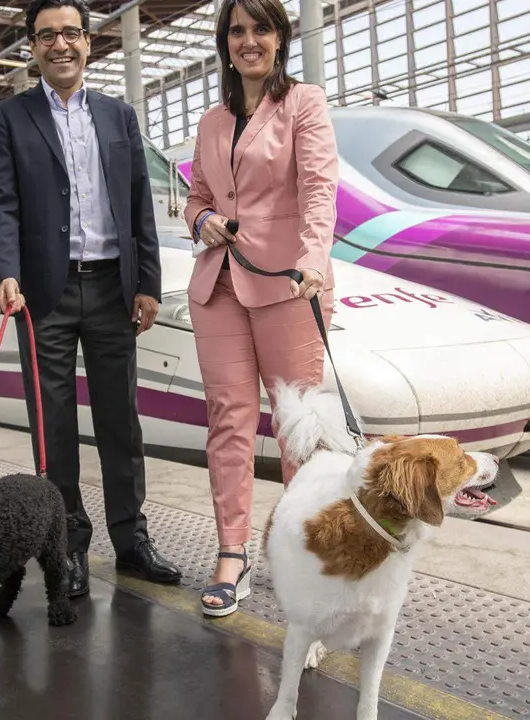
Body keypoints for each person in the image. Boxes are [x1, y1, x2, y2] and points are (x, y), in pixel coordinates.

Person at [0, 0, 182, 597]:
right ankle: (65, 545)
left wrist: (148, 280)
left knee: (120, 421)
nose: (60, 45)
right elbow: (1, 203)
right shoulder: (9, 118)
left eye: (71, 33)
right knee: (55, 428)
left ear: (90, 44)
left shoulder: (119, 116)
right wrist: (6, 271)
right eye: (47, 36)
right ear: (33, 48)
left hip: (111, 285)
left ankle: (132, 541)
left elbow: (139, 202)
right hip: (43, 293)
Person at [182, 0, 340, 617]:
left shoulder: (305, 102)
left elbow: (320, 187)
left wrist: (313, 259)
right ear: (225, 43)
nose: (249, 40)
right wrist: (205, 219)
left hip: (287, 283)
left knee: (298, 428)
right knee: (228, 420)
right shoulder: (212, 119)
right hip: (218, 286)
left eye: (261, 29)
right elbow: (195, 196)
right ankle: (232, 552)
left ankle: (302, 552)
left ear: (280, 38)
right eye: (237, 30)